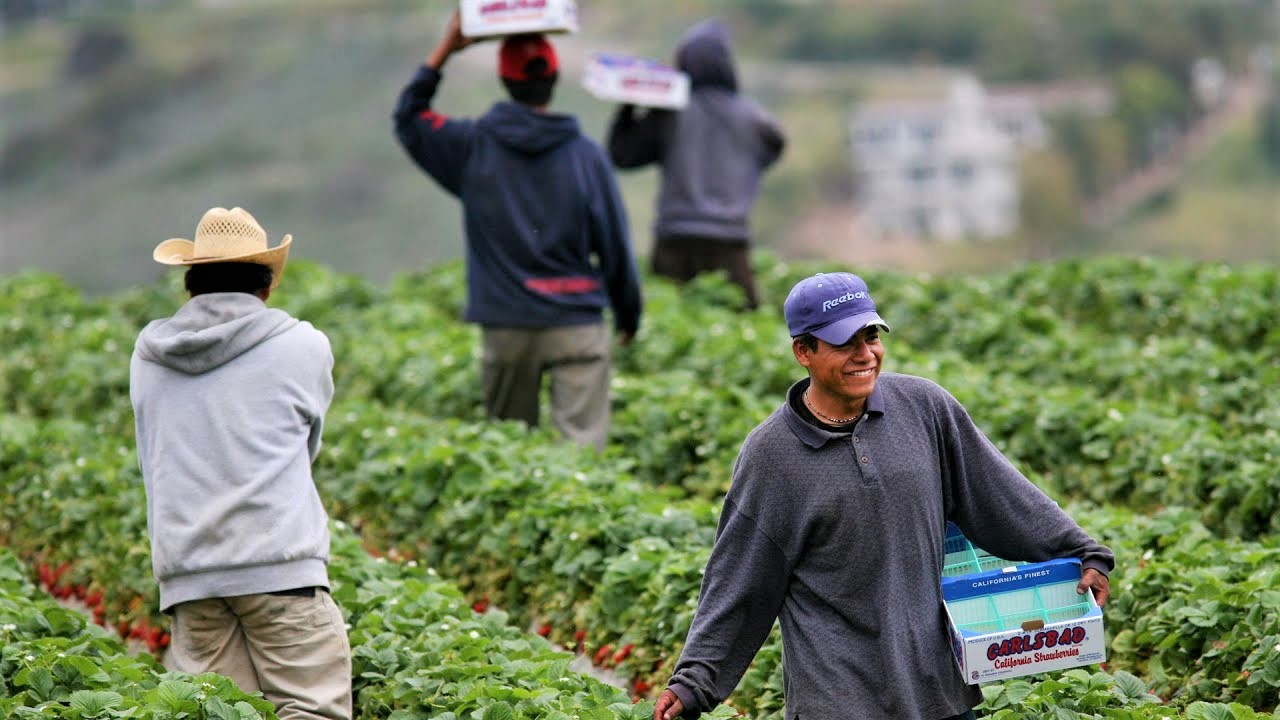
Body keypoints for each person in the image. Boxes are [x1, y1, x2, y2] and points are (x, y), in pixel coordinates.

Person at [653, 271, 1115, 720]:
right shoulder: (772, 456)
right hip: (836, 697)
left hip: (936, 685)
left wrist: (1081, 552)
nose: (864, 354)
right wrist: (695, 682)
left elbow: (999, 497)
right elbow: (743, 578)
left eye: (871, 337)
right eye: (844, 343)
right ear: (804, 351)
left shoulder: (924, 409)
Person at [130, 207, 351, 720]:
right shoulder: (303, 345)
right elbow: (306, 445)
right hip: (280, 566)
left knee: (217, 713)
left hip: (189, 574)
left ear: (190, 286)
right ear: (267, 285)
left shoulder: (148, 354)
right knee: (311, 710)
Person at [392, 12, 643, 450]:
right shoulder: (586, 156)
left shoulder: (470, 145)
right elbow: (615, 243)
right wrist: (628, 312)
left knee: (509, 454)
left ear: (505, 81)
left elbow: (408, 117)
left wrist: (445, 50)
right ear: (554, 78)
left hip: (507, 323)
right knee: (581, 460)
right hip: (577, 320)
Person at [607, 18, 785, 311]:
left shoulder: (668, 114)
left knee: (670, 318)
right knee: (741, 320)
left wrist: (629, 105)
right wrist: (748, 167)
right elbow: (776, 143)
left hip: (674, 238)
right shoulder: (752, 119)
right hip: (729, 239)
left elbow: (622, 155)